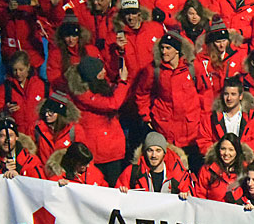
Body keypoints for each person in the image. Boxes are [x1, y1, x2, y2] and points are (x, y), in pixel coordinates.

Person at [134, 31, 202, 172]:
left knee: (193, 169)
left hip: (191, 130)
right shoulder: (154, 70)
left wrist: (204, 117)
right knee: (172, 170)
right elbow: (142, 93)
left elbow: (205, 93)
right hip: (165, 129)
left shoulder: (192, 68)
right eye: (162, 48)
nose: (164, 51)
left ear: (177, 50)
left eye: (168, 48)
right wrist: (146, 116)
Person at [66, 56, 131, 185]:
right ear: (93, 75)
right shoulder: (83, 95)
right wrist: (123, 82)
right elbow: (112, 104)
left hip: (111, 147)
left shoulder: (98, 86)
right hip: (99, 150)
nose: (104, 71)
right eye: (100, 70)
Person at [197, 77, 254, 154]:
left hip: (244, 159)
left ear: (240, 96)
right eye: (226, 94)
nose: (229, 98)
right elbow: (203, 141)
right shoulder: (211, 118)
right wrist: (221, 151)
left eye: (233, 94)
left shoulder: (253, 117)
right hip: (219, 159)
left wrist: (240, 149)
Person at [0, 116, 44, 194]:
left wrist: (19, 179)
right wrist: (2, 175)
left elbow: (40, 186)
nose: (7, 140)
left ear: (16, 137)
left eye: (10, 135)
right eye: (2, 136)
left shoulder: (30, 160)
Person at [116, 131, 195, 196]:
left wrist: (185, 195)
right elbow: (117, 193)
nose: (154, 155)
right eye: (150, 150)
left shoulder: (178, 173)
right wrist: (122, 191)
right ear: (145, 152)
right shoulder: (133, 171)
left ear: (164, 153)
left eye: (158, 151)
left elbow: (190, 196)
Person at [194, 19, 246, 113]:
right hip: (212, 103)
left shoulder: (237, 55)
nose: (222, 45)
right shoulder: (203, 59)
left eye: (224, 41)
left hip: (231, 102)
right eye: (218, 42)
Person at [0, 51, 47, 137]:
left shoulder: (41, 85)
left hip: (39, 134)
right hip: (17, 135)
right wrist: (5, 110)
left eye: (21, 69)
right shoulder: (6, 88)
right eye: (15, 70)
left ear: (28, 67)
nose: (18, 73)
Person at [45, 13, 101, 92]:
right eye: (67, 36)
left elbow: (100, 72)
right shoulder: (56, 54)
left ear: (80, 35)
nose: (71, 40)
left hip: (90, 90)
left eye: (74, 36)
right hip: (67, 92)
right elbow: (54, 78)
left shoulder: (91, 50)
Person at [114, 0, 166, 76]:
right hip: (132, 81)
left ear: (139, 13)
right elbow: (112, 68)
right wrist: (120, 51)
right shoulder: (116, 37)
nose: (130, 17)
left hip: (154, 79)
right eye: (127, 13)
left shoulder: (155, 29)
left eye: (133, 13)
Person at [196, 132, 254, 201]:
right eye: (223, 149)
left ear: (237, 152)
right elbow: (200, 195)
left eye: (231, 150)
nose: (226, 153)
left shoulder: (246, 170)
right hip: (211, 207)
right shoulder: (207, 170)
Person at [32, 90, 86, 163]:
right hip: (44, 169)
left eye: (51, 112)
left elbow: (83, 157)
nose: (46, 115)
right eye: (46, 111)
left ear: (60, 114)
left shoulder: (74, 130)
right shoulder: (37, 129)